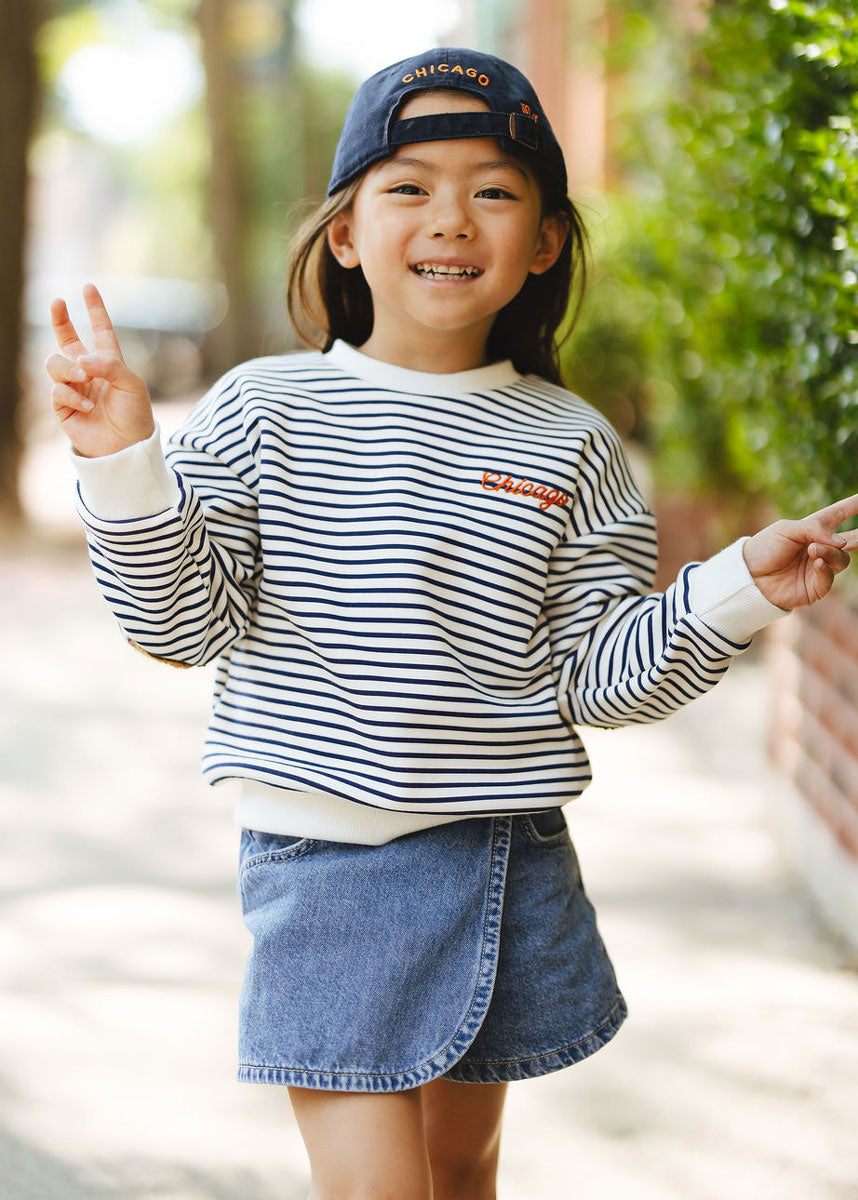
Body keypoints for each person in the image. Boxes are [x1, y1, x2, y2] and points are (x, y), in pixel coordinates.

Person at [46, 47, 857, 1200]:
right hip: (326, 864)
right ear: (343, 233)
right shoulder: (262, 408)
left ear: (544, 242)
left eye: (493, 189)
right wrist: (121, 458)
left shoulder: (572, 445)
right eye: (410, 185)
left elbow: (600, 679)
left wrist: (735, 589)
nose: (451, 218)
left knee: (460, 1167)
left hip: (503, 852)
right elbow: (178, 622)